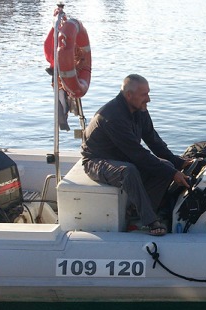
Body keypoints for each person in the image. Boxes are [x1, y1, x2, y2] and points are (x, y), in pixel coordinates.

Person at [80, 74, 191, 236]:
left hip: (122, 156)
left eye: (148, 93)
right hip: (96, 161)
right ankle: (150, 221)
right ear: (129, 95)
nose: (149, 99)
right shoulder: (112, 117)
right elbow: (137, 154)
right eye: (144, 95)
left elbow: (154, 141)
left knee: (166, 166)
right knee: (129, 171)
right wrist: (173, 174)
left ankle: (139, 211)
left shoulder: (139, 109)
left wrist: (177, 163)